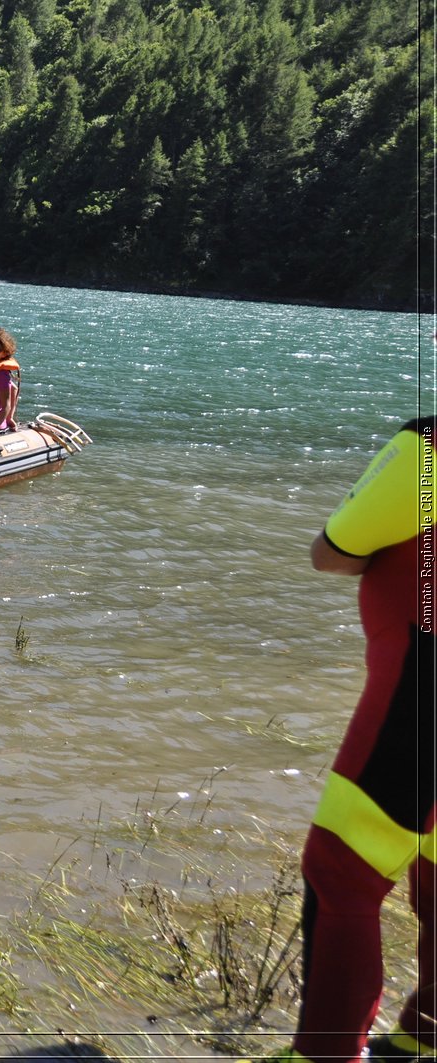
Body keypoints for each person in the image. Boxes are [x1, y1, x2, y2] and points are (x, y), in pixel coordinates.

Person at [253, 416, 435, 1063]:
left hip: (420, 696)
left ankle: (326, 1054)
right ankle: (425, 1034)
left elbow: (331, 549)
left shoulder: (427, 451)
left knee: (341, 871)